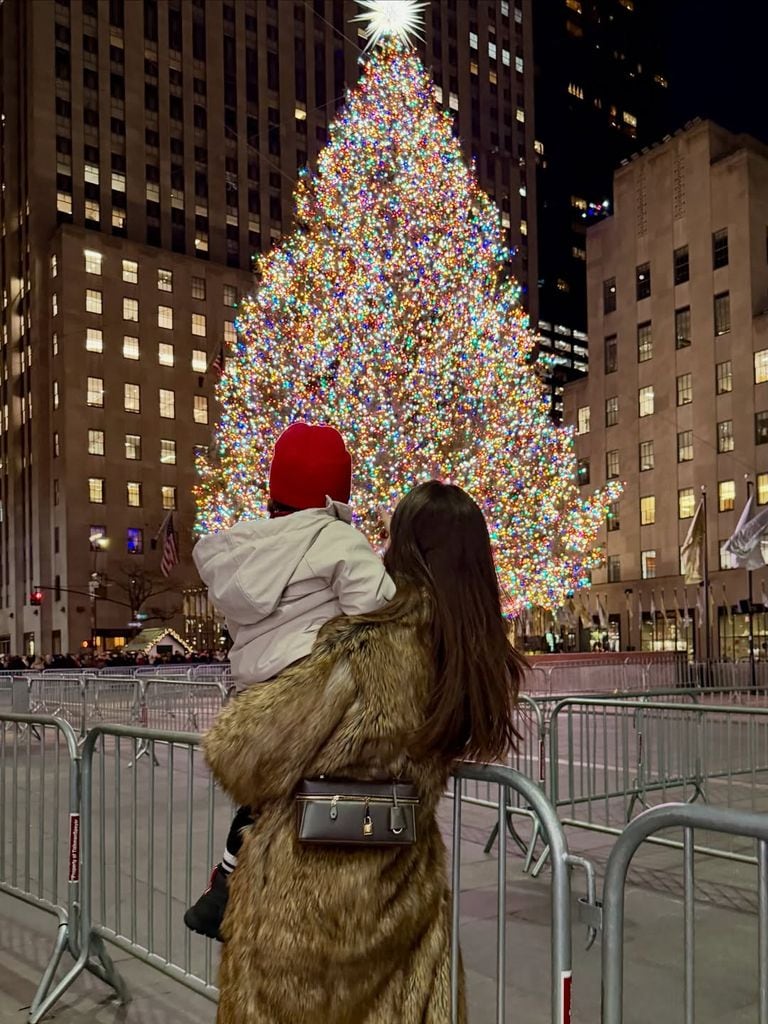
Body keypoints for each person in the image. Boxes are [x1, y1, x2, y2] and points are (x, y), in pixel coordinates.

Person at [204, 480, 525, 1024]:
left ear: (401, 547)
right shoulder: (471, 653)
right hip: (401, 889)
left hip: (307, 903)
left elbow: (244, 756)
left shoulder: (373, 641)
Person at [184, 422, 395, 937]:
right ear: (334, 492)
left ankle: (229, 877)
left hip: (256, 696)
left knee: (265, 796)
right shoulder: (336, 538)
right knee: (318, 794)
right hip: (312, 688)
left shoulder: (245, 551)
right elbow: (378, 603)